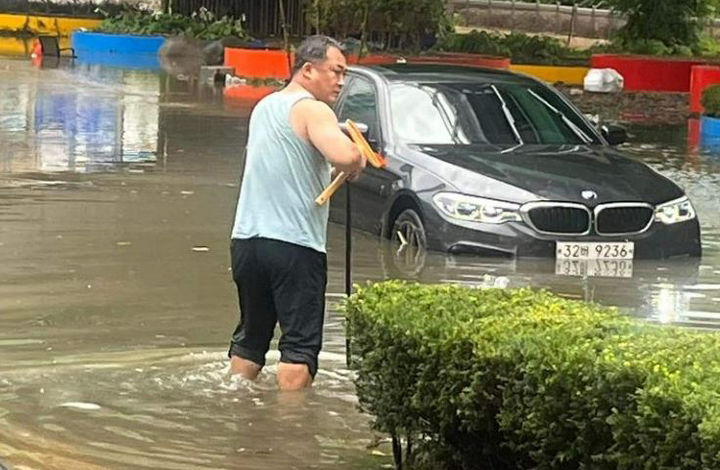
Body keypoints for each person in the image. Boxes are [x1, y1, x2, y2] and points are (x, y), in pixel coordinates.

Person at [228, 35, 366, 391]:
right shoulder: (313, 109)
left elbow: (289, 166)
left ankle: (238, 408)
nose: (340, 81)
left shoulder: (265, 106)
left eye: (344, 74)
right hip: (293, 245)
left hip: (247, 241)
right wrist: (357, 156)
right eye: (336, 71)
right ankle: (291, 434)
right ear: (307, 69)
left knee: (251, 340)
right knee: (299, 348)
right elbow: (343, 155)